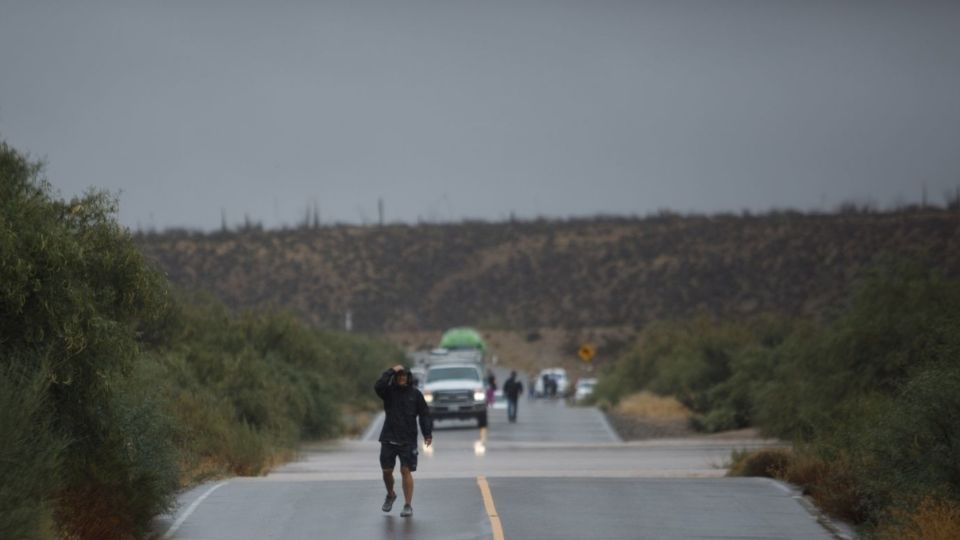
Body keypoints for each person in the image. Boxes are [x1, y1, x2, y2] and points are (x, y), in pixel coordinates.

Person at [375, 364, 432, 518]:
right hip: (388, 438)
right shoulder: (388, 393)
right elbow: (378, 385)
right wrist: (391, 370)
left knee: (405, 471)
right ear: (396, 377)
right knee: (387, 471)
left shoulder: (416, 394)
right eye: (399, 375)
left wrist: (427, 433)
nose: (402, 378)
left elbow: (425, 414)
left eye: (404, 376)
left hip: (408, 439)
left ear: (408, 378)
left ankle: (408, 505)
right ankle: (391, 494)